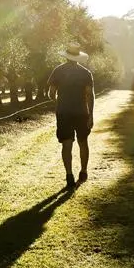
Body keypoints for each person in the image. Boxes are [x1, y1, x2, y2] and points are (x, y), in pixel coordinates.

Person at [47, 42, 94, 191]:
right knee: (83, 142)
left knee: (67, 144)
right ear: (78, 57)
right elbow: (90, 95)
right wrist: (91, 114)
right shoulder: (86, 73)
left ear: (66, 56)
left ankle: (69, 175)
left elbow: (51, 93)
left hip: (64, 113)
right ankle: (84, 171)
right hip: (81, 112)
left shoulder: (58, 71)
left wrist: (59, 101)